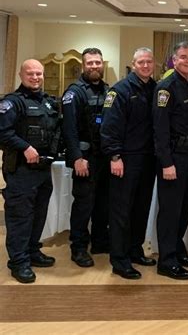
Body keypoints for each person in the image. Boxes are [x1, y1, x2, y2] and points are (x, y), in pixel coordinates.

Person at [0, 59, 60, 283]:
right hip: (21, 170)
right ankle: (18, 262)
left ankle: (33, 251)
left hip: (43, 169)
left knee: (38, 214)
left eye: (39, 74)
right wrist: (25, 147)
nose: (35, 77)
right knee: (20, 217)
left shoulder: (47, 102)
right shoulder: (12, 103)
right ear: (20, 75)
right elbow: (2, 132)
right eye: (31, 74)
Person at [100, 47, 157, 280]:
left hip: (147, 160)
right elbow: (109, 126)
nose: (145, 66)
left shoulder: (154, 89)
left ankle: (135, 250)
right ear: (133, 64)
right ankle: (119, 260)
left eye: (149, 62)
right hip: (125, 159)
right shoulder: (120, 90)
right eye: (141, 62)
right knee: (121, 212)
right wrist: (114, 156)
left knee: (140, 209)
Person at [153, 42, 188, 280]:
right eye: (184, 57)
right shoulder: (166, 88)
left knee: (184, 209)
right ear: (174, 60)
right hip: (172, 157)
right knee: (170, 211)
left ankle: (177, 249)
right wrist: (166, 163)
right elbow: (159, 129)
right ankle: (166, 260)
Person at [61, 47, 110, 267]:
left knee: (102, 203)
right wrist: (77, 158)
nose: (94, 66)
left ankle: (99, 241)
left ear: (103, 64)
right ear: (83, 65)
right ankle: (78, 247)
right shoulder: (74, 92)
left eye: (97, 62)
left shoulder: (107, 90)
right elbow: (69, 129)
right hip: (85, 157)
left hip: (104, 158)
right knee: (83, 205)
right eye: (90, 63)